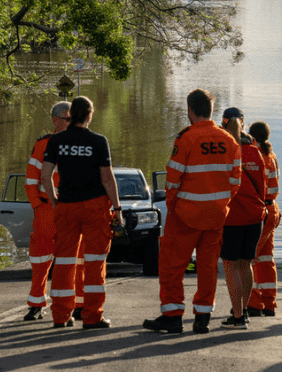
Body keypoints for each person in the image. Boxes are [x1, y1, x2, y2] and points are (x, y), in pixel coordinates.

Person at [143, 89, 242, 335]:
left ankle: (173, 316)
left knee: (172, 265)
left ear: (190, 110)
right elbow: (235, 181)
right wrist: (221, 204)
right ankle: (202, 318)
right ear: (211, 111)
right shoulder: (229, 140)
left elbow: (173, 181)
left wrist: (174, 207)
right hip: (216, 215)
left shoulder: (186, 138)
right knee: (207, 268)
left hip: (186, 214)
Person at [41, 96, 123, 329]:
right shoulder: (98, 141)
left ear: (71, 115)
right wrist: (117, 209)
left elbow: (45, 176)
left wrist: (55, 201)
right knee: (95, 262)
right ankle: (92, 316)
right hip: (95, 207)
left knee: (64, 262)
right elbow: (107, 178)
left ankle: (60, 316)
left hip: (66, 206)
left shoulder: (56, 141)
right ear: (89, 115)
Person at [22, 100, 74, 321]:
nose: (72, 123)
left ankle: (74, 306)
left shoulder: (80, 143)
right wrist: (37, 206)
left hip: (70, 208)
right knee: (41, 259)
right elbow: (30, 180)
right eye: (68, 119)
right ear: (56, 121)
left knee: (72, 260)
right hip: (46, 209)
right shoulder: (43, 144)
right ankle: (36, 304)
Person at [218, 108, 267, 329]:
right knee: (246, 264)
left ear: (223, 123)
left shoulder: (225, 150)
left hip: (232, 217)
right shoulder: (255, 152)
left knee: (231, 266)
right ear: (243, 124)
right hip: (255, 216)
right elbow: (263, 187)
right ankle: (245, 310)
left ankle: (237, 316)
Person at [247, 120, 281, 317]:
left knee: (250, 258)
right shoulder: (271, 155)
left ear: (252, 137)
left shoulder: (255, 155)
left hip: (261, 210)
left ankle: (254, 302)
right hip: (272, 209)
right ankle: (269, 303)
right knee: (266, 259)